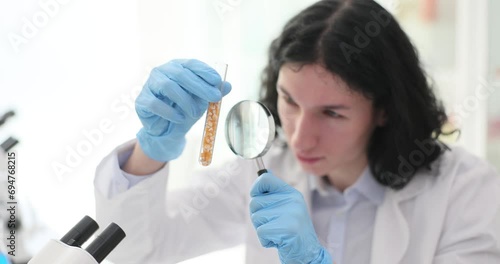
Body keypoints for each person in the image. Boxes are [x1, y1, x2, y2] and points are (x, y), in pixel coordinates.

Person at [94, 0, 500, 263]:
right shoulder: (263, 167)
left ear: (384, 110)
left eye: (332, 113)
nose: (301, 138)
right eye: (289, 101)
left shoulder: (464, 191)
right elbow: (138, 250)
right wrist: (152, 148)